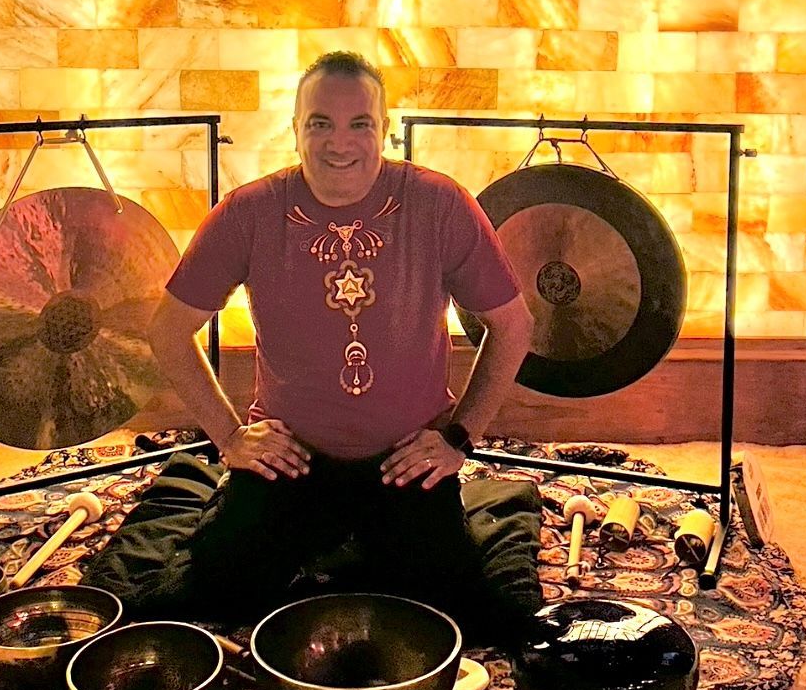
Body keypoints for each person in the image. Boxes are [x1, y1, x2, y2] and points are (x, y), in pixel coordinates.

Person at [144, 51, 536, 633]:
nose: (339, 143)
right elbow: (167, 330)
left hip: (407, 461)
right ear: (295, 129)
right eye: (320, 123)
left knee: (448, 614)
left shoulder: (440, 203)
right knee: (215, 595)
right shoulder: (248, 212)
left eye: (360, 124)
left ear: (386, 129)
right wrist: (229, 437)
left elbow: (514, 325)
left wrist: (458, 437)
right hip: (291, 457)